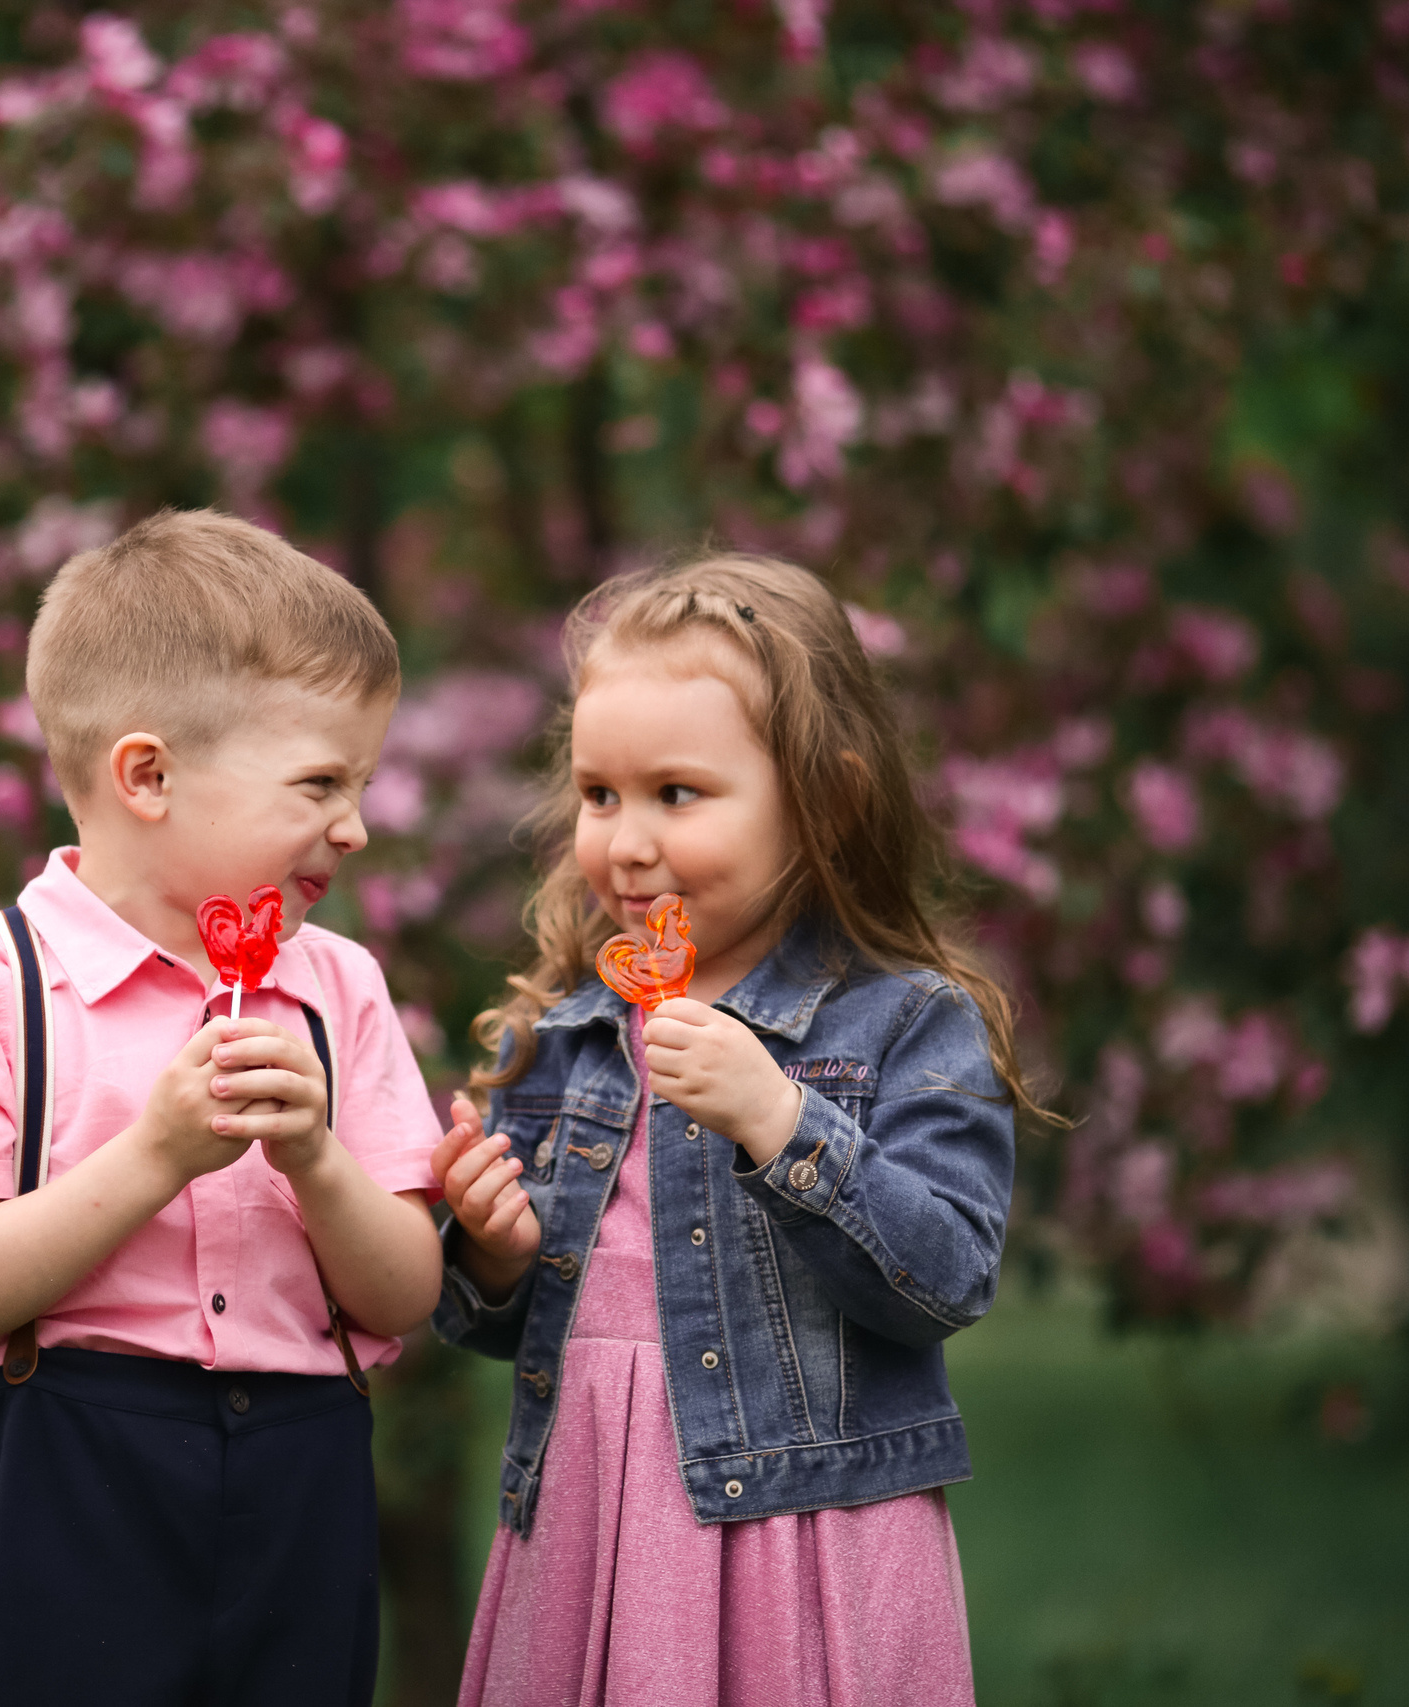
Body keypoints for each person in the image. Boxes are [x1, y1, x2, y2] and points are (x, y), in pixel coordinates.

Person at [433, 556, 1046, 1706]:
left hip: (803, 1537)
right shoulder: (564, 1036)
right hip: (586, 1521)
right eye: (599, 795)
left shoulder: (908, 1021)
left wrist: (779, 1117)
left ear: (826, 803)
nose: (625, 840)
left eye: (678, 794)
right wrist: (491, 1249)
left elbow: (946, 1278)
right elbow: (505, 1320)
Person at [0, 510, 445, 1707]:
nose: (357, 824)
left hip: (302, 1464)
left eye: (363, 782)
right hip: (72, 1462)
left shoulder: (338, 990)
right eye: (320, 782)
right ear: (148, 776)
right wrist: (156, 1155)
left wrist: (320, 1164)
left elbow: (401, 1294)